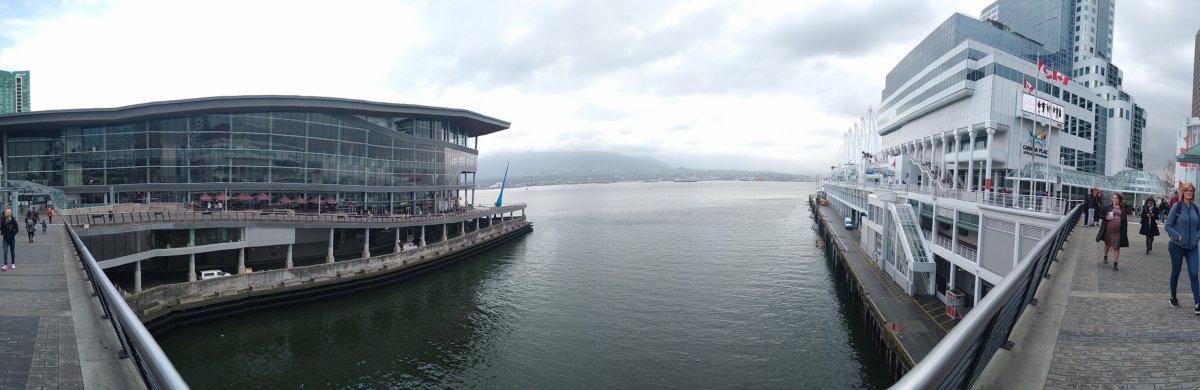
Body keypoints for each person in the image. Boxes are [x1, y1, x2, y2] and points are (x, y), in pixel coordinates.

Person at [1164, 183, 1200, 313]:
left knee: (1194, 273)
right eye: (1187, 190)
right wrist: (1177, 236)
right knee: (1176, 271)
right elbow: (1167, 225)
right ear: (1183, 193)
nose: (1189, 192)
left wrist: (1197, 236)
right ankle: (1173, 296)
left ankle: (1198, 303)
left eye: (1191, 191)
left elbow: (1199, 227)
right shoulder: (1177, 207)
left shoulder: (1195, 208)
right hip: (1176, 246)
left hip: (1193, 247)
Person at [1095, 192, 1130, 271]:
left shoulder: (1123, 209)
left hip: (1118, 231)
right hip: (1108, 230)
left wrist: (1125, 232)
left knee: (1116, 247)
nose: (1114, 199)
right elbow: (1100, 215)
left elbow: (1125, 219)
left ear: (1119, 200)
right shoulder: (1107, 207)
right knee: (1107, 244)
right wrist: (1106, 217)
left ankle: (1115, 264)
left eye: (1116, 198)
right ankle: (1105, 256)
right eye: (1113, 198)